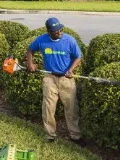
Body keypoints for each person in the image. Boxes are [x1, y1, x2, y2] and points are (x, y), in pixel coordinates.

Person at [26, 17, 86, 148]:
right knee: (48, 108)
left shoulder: (69, 40)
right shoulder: (41, 40)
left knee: (71, 109)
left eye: (60, 29)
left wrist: (70, 70)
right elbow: (30, 50)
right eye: (55, 31)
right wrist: (30, 63)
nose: (59, 32)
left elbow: (78, 57)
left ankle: (75, 135)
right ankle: (50, 135)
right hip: (50, 78)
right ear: (49, 31)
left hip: (67, 79)